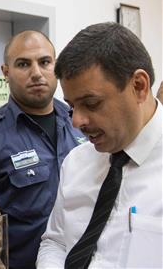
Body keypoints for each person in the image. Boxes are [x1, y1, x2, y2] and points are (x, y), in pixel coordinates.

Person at [37, 22, 162, 268]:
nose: (76, 121)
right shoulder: (76, 162)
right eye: (72, 106)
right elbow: (56, 241)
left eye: (91, 103)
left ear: (138, 86)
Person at [0, 31, 86, 269]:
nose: (36, 73)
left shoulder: (82, 123)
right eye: (23, 64)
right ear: (5, 72)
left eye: (45, 62)